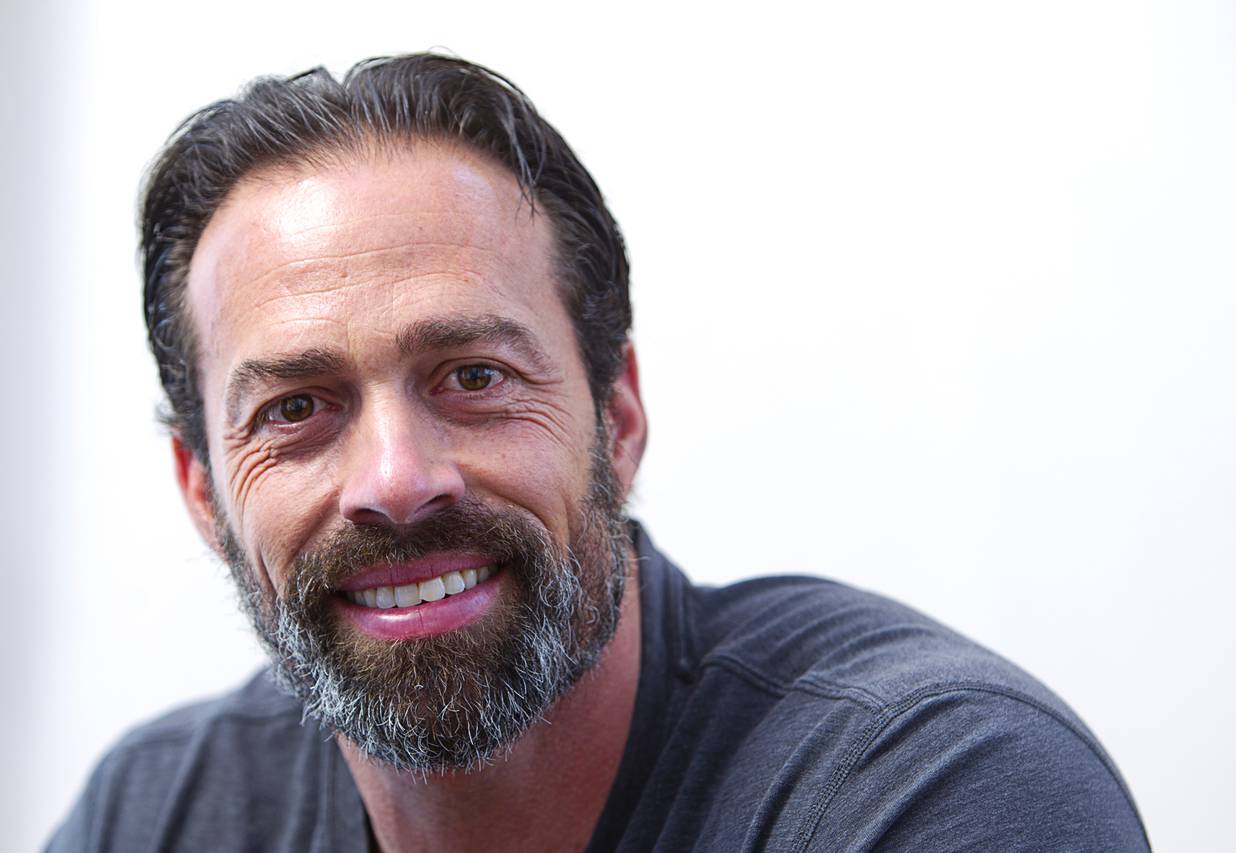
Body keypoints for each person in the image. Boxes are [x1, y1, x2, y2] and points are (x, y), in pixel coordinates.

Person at [48, 53, 1150, 852]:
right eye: (296, 408)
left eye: (473, 377)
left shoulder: (929, 788)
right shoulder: (154, 815)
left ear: (617, 418)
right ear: (203, 492)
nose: (395, 480)